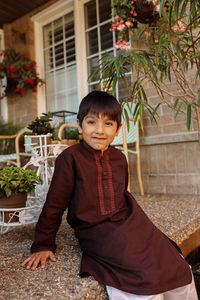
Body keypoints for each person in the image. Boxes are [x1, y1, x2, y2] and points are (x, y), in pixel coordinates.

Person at [22, 91, 198, 300]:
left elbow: (121, 192)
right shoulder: (70, 159)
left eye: (108, 124)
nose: (99, 130)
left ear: (118, 129)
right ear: (79, 125)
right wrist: (43, 244)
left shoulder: (119, 157)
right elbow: (54, 205)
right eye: (91, 122)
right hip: (95, 229)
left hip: (129, 221)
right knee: (137, 276)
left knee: (176, 264)